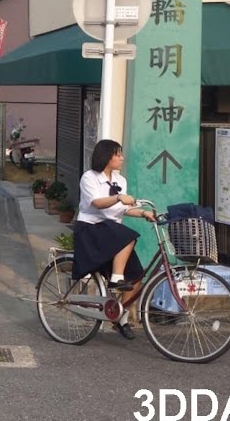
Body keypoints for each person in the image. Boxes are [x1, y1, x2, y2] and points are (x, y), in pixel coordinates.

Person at [71, 139, 158, 339]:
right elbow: (97, 203)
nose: (122, 158)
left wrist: (144, 213)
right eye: (118, 154)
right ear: (106, 157)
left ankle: (120, 317)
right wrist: (118, 197)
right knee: (128, 236)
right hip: (91, 230)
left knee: (137, 276)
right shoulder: (89, 178)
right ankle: (116, 278)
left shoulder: (121, 181)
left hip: (111, 233)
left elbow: (124, 209)